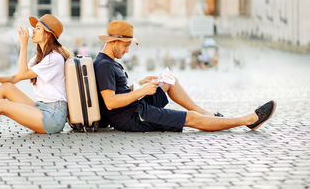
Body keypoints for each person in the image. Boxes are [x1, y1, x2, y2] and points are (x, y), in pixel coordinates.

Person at [93, 20, 276, 132]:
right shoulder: (104, 65)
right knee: (190, 118)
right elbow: (110, 102)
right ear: (114, 41)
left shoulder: (108, 63)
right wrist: (141, 92)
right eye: (126, 45)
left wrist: (142, 84)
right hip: (133, 117)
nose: (127, 51)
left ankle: (206, 113)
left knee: (169, 81)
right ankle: (248, 120)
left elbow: (118, 90)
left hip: (133, 107)